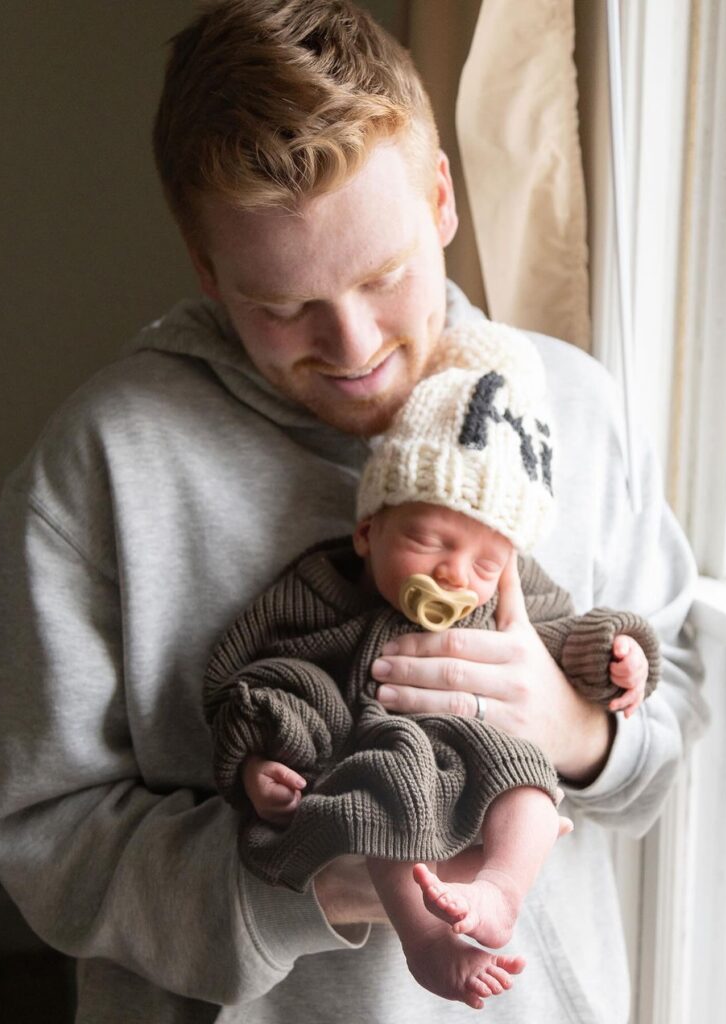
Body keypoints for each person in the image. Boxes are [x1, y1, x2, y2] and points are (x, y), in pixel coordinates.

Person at [0, 2, 707, 1021]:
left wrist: (581, 727)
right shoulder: (101, 466)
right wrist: (317, 872)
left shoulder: (574, 407)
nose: (353, 343)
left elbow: (679, 699)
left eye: (384, 275)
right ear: (206, 269)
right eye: (281, 308)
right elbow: (42, 835)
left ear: (443, 197)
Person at [204, 321, 661, 1009]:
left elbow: (569, 637)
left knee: (531, 792)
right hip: (384, 755)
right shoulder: (324, 591)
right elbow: (265, 673)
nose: (454, 573)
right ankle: (426, 943)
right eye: (427, 541)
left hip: (491, 755)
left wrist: (617, 655)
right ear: (368, 531)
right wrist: (263, 754)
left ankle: (499, 893)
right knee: (383, 807)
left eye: (484, 562)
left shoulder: (519, 592)